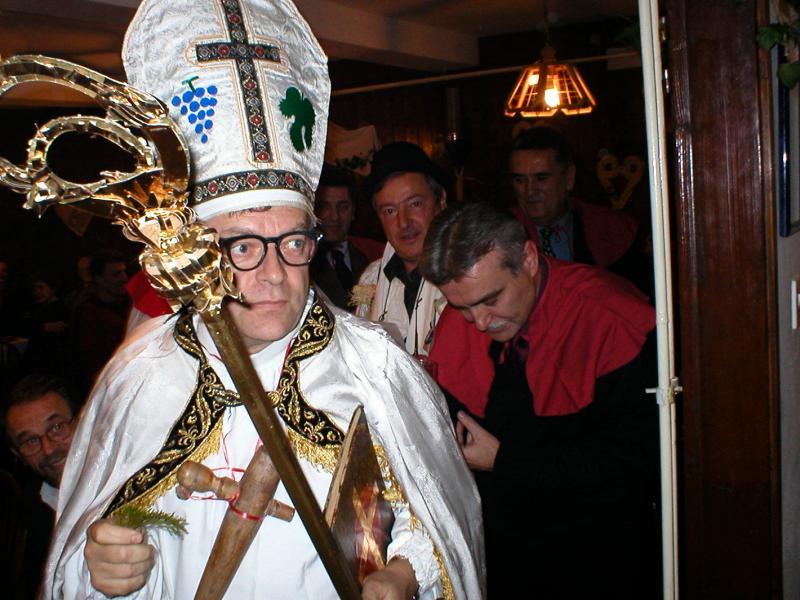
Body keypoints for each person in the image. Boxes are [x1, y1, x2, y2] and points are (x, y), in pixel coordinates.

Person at [43, 1, 484, 598]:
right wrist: (103, 568)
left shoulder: (377, 370)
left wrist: (402, 576)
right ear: (199, 250)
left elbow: (433, 527)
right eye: (242, 246)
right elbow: (79, 553)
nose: (275, 275)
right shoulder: (140, 377)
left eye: (292, 241)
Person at [421, 202, 659, 598]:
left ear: (528, 259)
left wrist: (504, 460)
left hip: (596, 550)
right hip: (503, 550)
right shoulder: (465, 317)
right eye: (462, 307)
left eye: (490, 299)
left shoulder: (611, 316)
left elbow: (633, 458)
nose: (479, 322)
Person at [509, 126, 649, 288]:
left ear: (569, 177)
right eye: (520, 180)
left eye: (541, 178)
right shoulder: (499, 233)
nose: (530, 191)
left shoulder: (612, 230)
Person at [354, 142, 450, 358]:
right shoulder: (371, 279)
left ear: (441, 201)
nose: (403, 222)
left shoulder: (467, 275)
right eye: (389, 210)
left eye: (414, 204)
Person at [4, 374, 78, 599]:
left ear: (83, 420)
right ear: (17, 454)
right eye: (30, 441)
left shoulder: (129, 484)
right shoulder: (23, 524)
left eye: (56, 428)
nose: (48, 449)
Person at [311, 165, 381, 310]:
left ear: (353, 211)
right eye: (323, 207)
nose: (334, 216)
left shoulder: (375, 254)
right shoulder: (303, 263)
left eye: (342, 207)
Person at [72, 249, 130, 390]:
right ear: (99, 279)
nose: (124, 278)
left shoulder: (129, 304)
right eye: (116, 274)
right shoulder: (88, 313)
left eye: (124, 272)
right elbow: (91, 363)